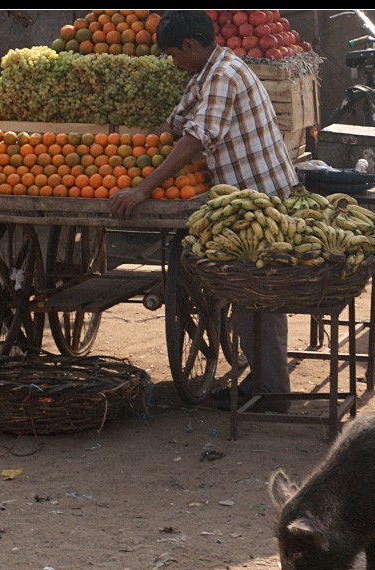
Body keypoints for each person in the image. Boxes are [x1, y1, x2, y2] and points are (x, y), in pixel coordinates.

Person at [110, 10, 298, 413]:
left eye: (174, 54)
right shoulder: (208, 73)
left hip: (260, 200)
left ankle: (273, 390)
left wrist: (144, 187)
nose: (172, 61)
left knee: (256, 294)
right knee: (248, 295)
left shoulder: (223, 76)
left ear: (192, 47)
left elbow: (197, 136)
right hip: (243, 197)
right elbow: (180, 121)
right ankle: (265, 382)